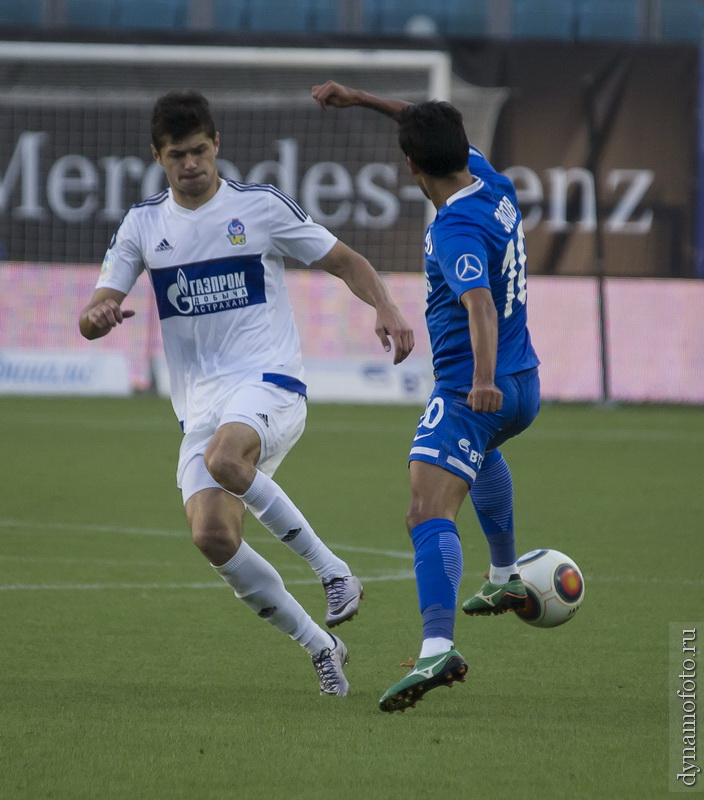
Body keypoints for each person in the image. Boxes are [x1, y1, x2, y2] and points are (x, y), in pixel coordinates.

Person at [79, 90, 414, 698]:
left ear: (217, 146)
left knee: (226, 459)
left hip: (270, 384)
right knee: (213, 536)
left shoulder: (258, 209)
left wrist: (386, 304)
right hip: (199, 408)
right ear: (158, 156)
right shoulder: (143, 225)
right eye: (178, 154)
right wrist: (98, 317)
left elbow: (345, 260)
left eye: (201, 150)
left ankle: (333, 572)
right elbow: (97, 306)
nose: (192, 164)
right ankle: (322, 646)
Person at [312, 81, 541, 712]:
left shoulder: (455, 229)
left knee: (424, 509)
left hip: (478, 388)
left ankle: (438, 648)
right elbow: (420, 119)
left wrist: (482, 381)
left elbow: (480, 306)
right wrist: (359, 98)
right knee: (479, 459)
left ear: (410, 166)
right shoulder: (491, 182)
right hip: (525, 385)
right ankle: (502, 578)